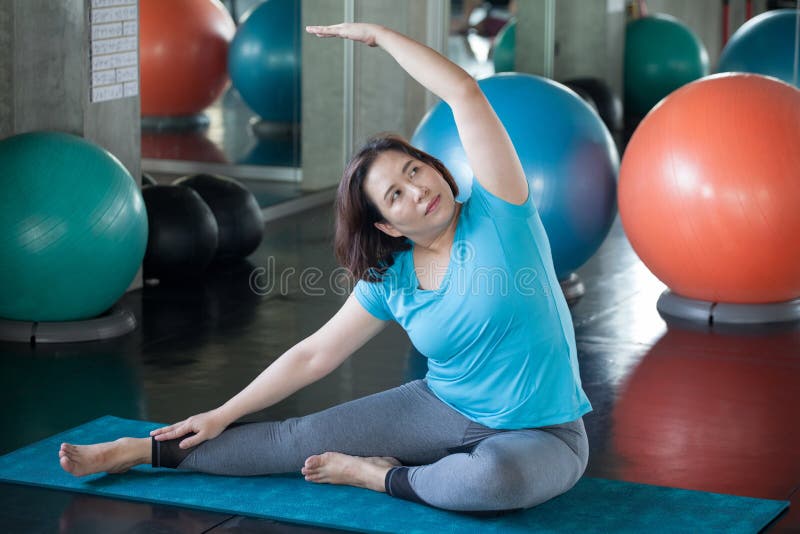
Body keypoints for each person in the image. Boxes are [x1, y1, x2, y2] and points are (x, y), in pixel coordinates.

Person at [59, 22, 592, 514]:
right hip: (440, 407)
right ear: (386, 226)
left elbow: (465, 94)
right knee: (294, 439)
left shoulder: (503, 214)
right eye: (396, 193)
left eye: (415, 168)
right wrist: (223, 412)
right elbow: (315, 354)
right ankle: (140, 452)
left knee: (492, 481)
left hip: (545, 432)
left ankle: (378, 476)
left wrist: (381, 36)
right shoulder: (391, 277)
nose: (419, 188)